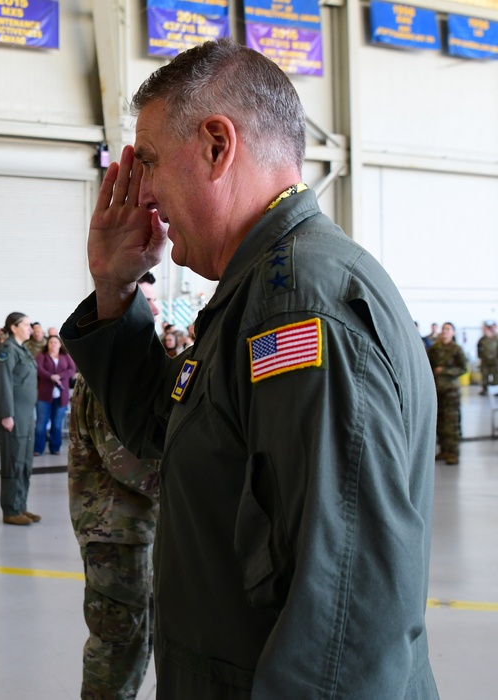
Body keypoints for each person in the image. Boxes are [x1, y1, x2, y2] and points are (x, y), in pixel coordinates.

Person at [60, 40, 438, 697]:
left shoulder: (298, 311)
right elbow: (169, 430)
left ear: (216, 145)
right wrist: (116, 291)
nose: (143, 194)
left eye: (147, 161)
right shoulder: (258, 292)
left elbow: (346, 608)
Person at [69, 373, 160, 700]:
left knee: (133, 638)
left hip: (126, 530)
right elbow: (128, 464)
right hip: (114, 533)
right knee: (115, 645)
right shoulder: (108, 376)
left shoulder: (112, 366)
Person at [0, 312, 39, 526]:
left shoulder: (23, 350)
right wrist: (6, 414)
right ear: (13, 327)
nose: (30, 328)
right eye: (26, 325)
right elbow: (3, 384)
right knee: (13, 462)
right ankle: (10, 510)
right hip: (13, 415)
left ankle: (21, 505)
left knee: (25, 463)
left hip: (26, 414)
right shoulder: (7, 351)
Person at [428, 322, 468, 465]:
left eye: (448, 329)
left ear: (453, 333)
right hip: (437, 391)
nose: (444, 332)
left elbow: (463, 368)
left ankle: (453, 453)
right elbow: (428, 367)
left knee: (452, 423)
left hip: (451, 392)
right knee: (439, 421)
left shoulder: (456, 349)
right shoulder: (434, 349)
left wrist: (445, 371)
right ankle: (444, 450)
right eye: (443, 329)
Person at [33, 335, 76, 456]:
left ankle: (55, 447)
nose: (53, 344)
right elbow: (39, 369)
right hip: (44, 395)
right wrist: (50, 376)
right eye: (51, 342)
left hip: (61, 395)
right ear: (47, 344)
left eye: (55, 342)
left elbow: (72, 370)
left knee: (57, 423)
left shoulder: (65, 356)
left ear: (60, 344)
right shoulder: (42, 356)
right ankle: (38, 448)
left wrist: (59, 376)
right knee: (41, 422)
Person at [477, 322, 497, 395]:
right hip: (484, 360)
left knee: (496, 377)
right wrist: (480, 357)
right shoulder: (482, 339)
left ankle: (496, 391)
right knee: (484, 376)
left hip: (495, 361)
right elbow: (478, 348)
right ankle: (484, 389)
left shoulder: (496, 338)